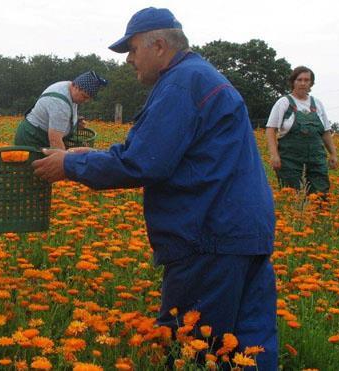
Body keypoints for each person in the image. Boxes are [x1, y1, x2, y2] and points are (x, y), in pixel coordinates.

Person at [32, 7, 277, 370]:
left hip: (208, 237)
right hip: (243, 232)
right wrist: (91, 155)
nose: (130, 60)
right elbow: (165, 152)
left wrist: (69, 164)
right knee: (246, 351)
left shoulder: (179, 84)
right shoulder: (201, 77)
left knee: (191, 348)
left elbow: (144, 162)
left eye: (132, 49)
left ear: (159, 45)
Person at [265, 66, 337, 194]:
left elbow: (325, 131)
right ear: (293, 82)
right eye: (299, 80)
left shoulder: (317, 104)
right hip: (290, 162)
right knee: (293, 197)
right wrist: (274, 155)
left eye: (307, 80)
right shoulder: (284, 103)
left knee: (321, 196)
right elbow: (271, 129)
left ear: (311, 83)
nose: (303, 83)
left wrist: (333, 153)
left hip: (316, 161)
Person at [14, 71, 107, 149]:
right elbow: (55, 142)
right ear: (76, 87)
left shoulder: (69, 88)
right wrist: (66, 164)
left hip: (41, 137)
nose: (85, 101)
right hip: (32, 140)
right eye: (84, 97)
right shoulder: (60, 104)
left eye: (88, 99)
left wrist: (74, 123)